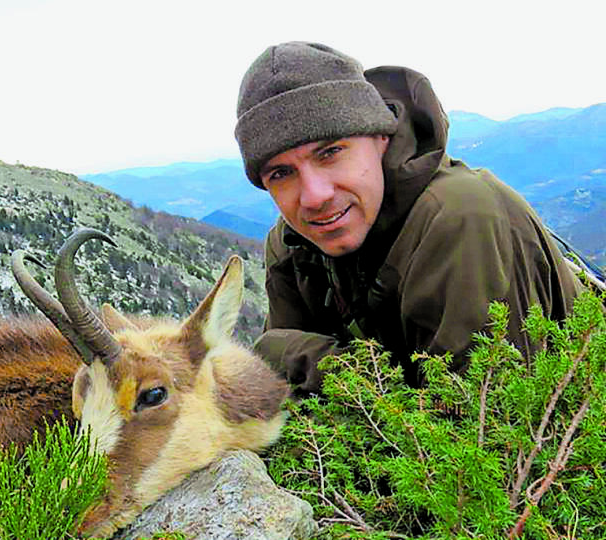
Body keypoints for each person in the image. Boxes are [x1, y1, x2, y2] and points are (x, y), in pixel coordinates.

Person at [234, 42, 583, 396]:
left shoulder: (459, 219)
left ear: (380, 137)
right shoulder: (293, 246)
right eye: (280, 173)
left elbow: (484, 430)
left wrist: (293, 356)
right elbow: (284, 408)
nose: (314, 196)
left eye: (330, 153)